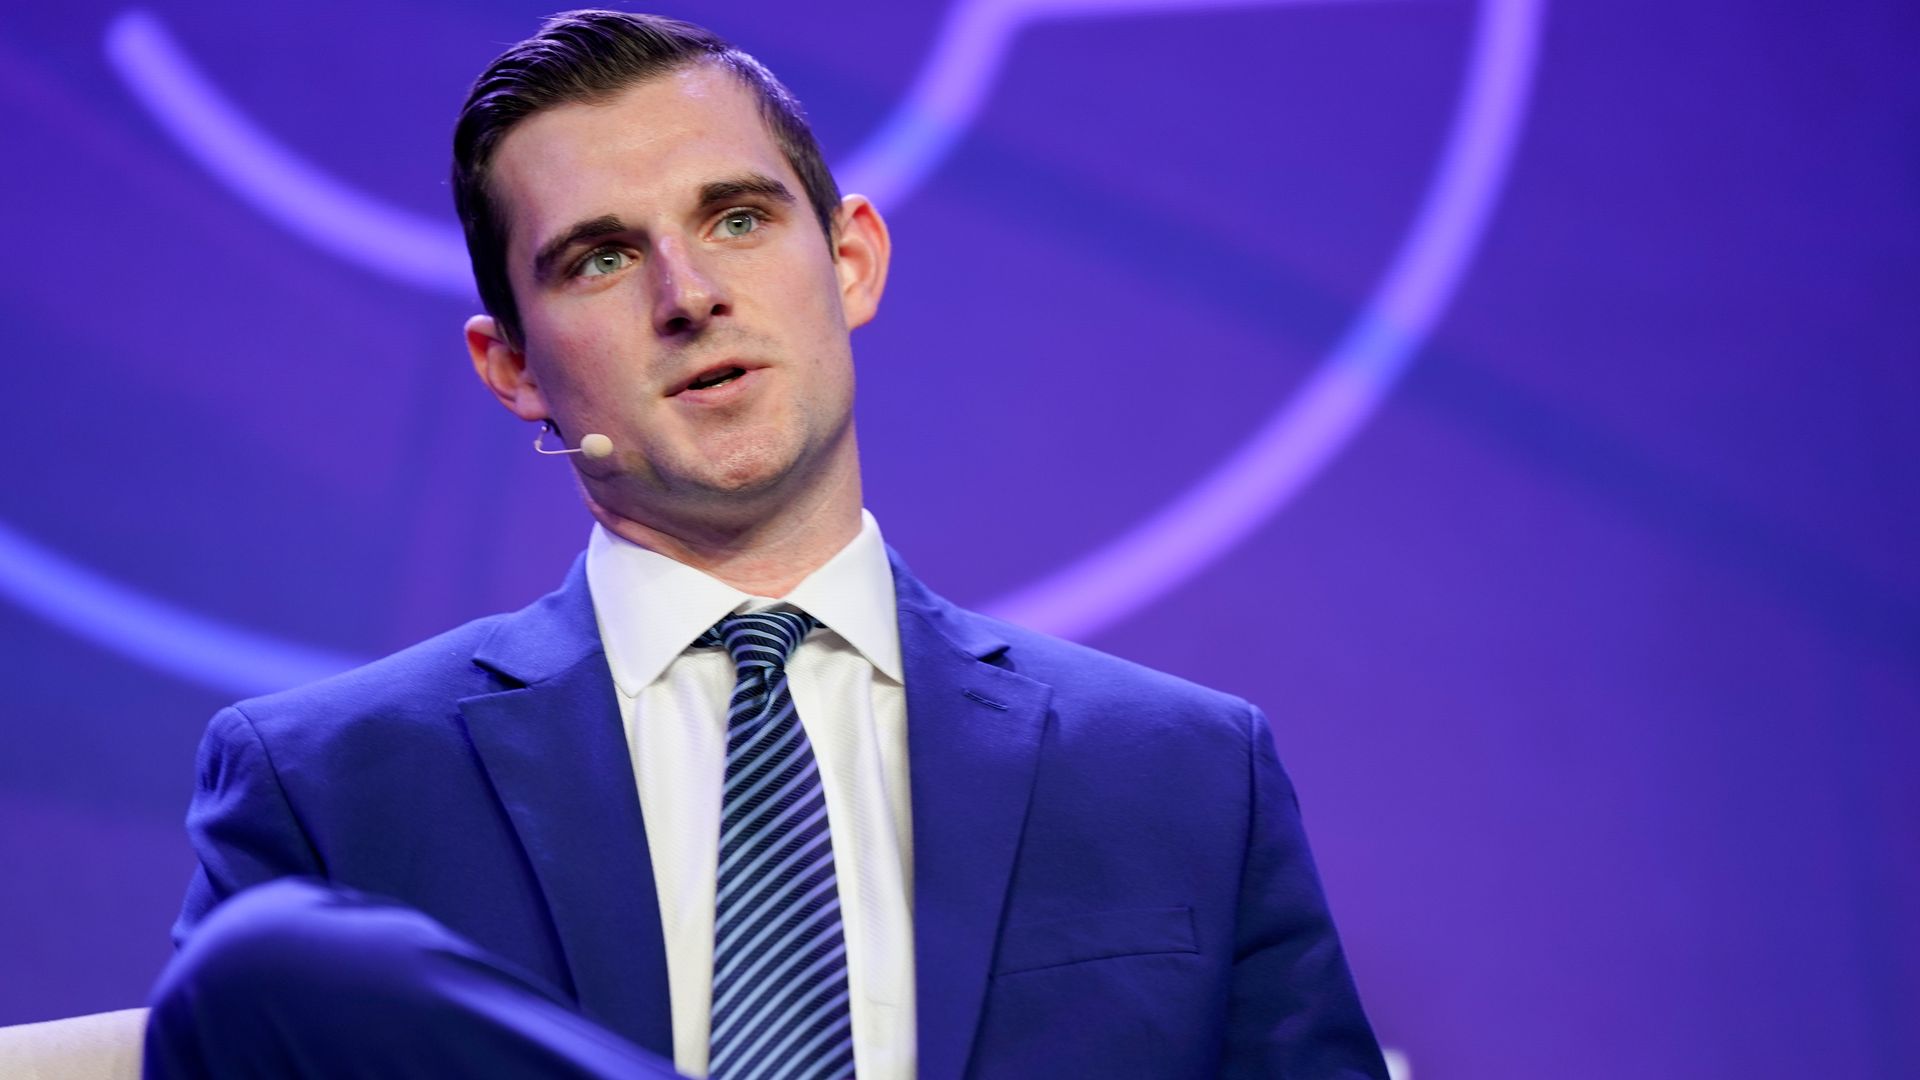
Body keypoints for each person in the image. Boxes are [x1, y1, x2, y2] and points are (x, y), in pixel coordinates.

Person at [143, 10, 1389, 1079]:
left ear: (850, 260)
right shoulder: (327, 787)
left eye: (737, 219)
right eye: (602, 257)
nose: (686, 294)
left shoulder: (1178, 770)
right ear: (511, 366)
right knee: (267, 970)